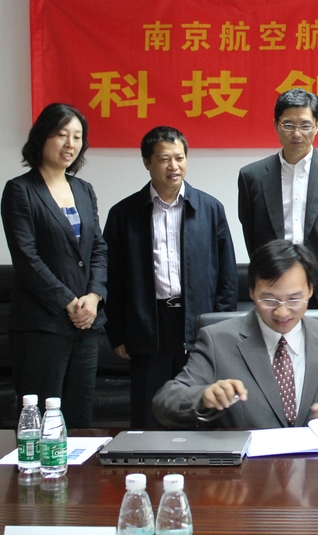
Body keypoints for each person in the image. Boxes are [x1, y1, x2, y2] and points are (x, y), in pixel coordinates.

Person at [153, 240, 318, 429]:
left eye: (294, 299)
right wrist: (203, 398)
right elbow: (165, 403)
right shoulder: (217, 341)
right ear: (251, 292)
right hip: (247, 464)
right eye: (269, 299)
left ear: (310, 290)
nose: (282, 312)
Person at [103, 126, 238, 428]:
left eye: (179, 158)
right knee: (149, 408)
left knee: (200, 404)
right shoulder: (123, 214)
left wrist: (222, 326)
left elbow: (226, 276)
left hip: (198, 321)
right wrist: (117, 332)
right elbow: (112, 277)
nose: (173, 166)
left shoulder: (210, 209)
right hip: (148, 323)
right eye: (164, 159)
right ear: (147, 162)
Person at [0, 103, 107, 429]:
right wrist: (67, 301)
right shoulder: (21, 190)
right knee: (41, 424)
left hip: (86, 325)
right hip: (42, 326)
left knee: (80, 421)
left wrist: (94, 296)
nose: (70, 144)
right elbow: (26, 257)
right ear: (42, 137)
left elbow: (98, 248)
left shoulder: (84, 190)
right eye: (62, 134)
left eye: (77, 136)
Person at [237, 89, 318, 312]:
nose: (296, 133)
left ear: (317, 126)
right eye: (288, 124)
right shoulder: (252, 177)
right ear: (276, 125)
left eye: (305, 125)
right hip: (274, 289)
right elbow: (252, 237)